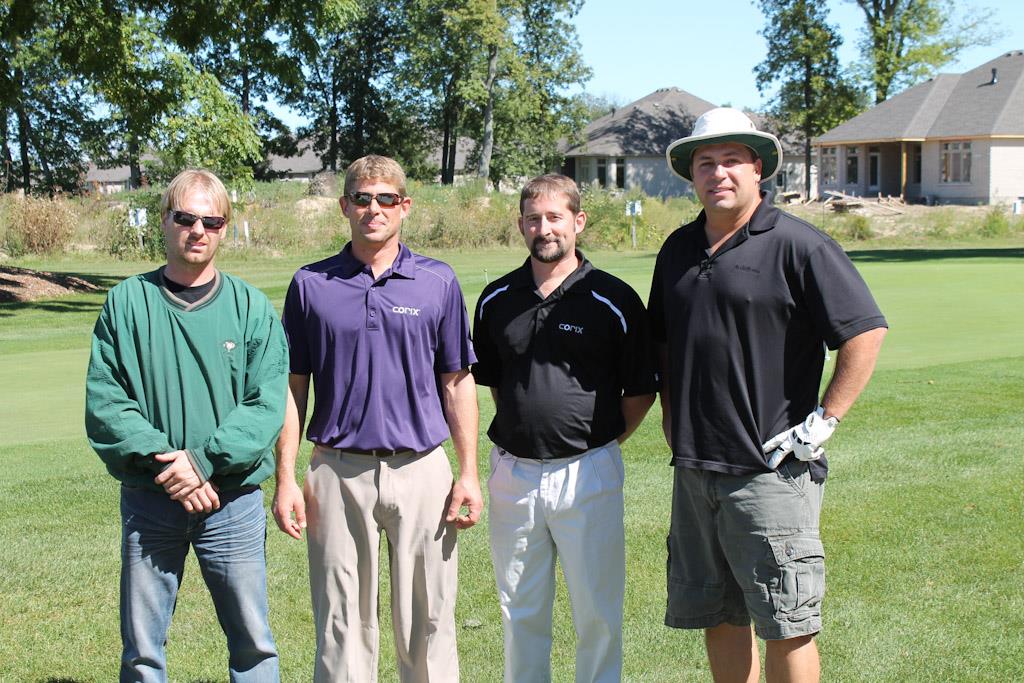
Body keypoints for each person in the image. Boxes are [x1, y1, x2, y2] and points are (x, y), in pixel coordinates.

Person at [649, 108, 888, 683]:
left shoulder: (799, 244)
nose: (718, 173)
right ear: (692, 175)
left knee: (786, 621)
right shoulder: (678, 248)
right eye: (706, 163)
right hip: (696, 468)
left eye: (732, 160)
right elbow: (664, 342)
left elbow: (864, 331)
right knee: (718, 615)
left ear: (757, 169)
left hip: (771, 470)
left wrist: (826, 419)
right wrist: (670, 417)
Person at [272, 154, 481, 682]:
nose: (374, 209)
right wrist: (285, 478)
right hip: (336, 471)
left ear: (404, 206)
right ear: (344, 206)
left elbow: (457, 381)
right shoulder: (310, 284)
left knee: (428, 624)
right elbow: (293, 388)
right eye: (362, 198)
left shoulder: (437, 281)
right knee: (341, 626)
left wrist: (469, 473)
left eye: (386, 198)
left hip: (423, 470)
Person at [85, 168, 288, 682]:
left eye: (211, 221)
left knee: (253, 644)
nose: (198, 230)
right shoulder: (127, 303)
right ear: (164, 220)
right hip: (152, 498)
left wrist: (203, 462)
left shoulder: (251, 308)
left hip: (232, 501)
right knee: (142, 651)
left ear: (224, 229)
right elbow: (108, 403)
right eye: (185, 218)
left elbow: (266, 405)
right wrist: (170, 465)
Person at [472, 174, 658, 682]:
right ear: (520, 225)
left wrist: (598, 444)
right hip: (513, 473)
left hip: (588, 472)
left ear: (578, 222)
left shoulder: (614, 298)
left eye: (555, 217)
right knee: (520, 609)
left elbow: (641, 391)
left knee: (597, 610)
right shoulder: (495, 298)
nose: (544, 228)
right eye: (533, 219)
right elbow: (495, 382)